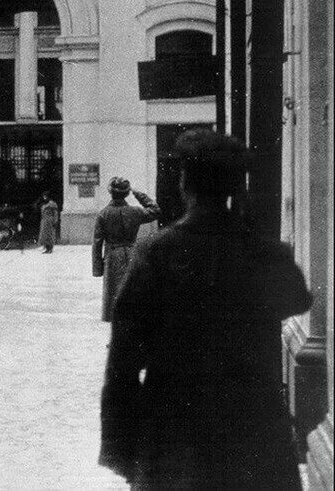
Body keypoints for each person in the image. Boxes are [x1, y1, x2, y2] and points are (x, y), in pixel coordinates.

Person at [99, 130, 313, 490]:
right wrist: (251, 229)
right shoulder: (262, 251)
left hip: (173, 437)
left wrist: (122, 451)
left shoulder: (156, 253)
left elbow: (123, 361)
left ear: (185, 184)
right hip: (254, 433)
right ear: (234, 187)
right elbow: (298, 298)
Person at [92, 177, 160, 322]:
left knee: (113, 297)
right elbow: (155, 210)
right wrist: (138, 193)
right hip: (131, 254)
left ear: (110, 192)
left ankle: (115, 339)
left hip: (112, 257)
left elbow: (97, 243)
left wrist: (98, 268)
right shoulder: (135, 212)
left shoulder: (103, 214)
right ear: (126, 193)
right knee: (131, 293)